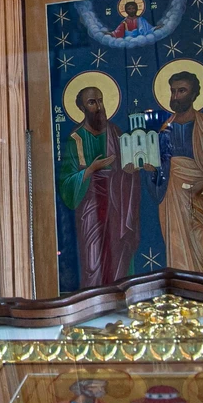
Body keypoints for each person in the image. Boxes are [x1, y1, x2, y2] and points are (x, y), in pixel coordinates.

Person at [148, 71, 203, 280]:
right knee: (177, 246)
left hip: (201, 197)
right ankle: (183, 289)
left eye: (182, 91)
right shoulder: (164, 129)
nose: (176, 96)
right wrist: (151, 171)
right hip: (172, 199)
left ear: (194, 94)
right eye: (173, 91)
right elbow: (160, 169)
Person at [58, 87, 142, 288]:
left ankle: (121, 296)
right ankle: (95, 299)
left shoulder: (115, 132)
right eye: (92, 102)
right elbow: (66, 183)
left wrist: (130, 171)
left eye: (100, 100)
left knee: (119, 253)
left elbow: (126, 169)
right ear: (82, 108)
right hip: (91, 208)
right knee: (93, 260)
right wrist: (91, 170)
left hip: (117, 205)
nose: (98, 106)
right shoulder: (76, 138)